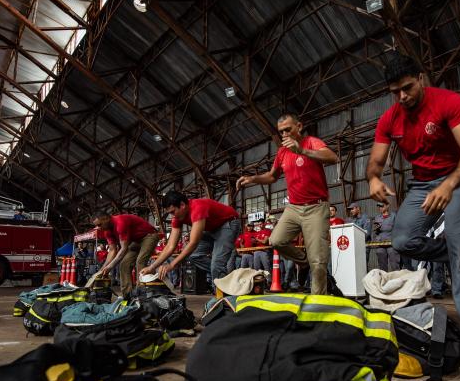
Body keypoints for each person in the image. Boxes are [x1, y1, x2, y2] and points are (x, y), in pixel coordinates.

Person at [366, 53, 460, 357]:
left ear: (421, 78)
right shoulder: (390, 118)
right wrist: (373, 180)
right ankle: (456, 255)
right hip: (422, 184)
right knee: (403, 240)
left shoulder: (449, 102)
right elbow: (375, 162)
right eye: (395, 92)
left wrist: (449, 185)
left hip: (458, 177)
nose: (403, 97)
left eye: (407, 88)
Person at [236, 113, 339, 295]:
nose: (284, 134)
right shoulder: (282, 152)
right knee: (276, 240)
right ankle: (303, 260)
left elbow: (332, 157)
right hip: (293, 207)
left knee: (318, 261)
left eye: (288, 130)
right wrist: (253, 178)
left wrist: (302, 151)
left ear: (299, 126)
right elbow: (272, 176)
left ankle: (318, 301)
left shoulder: (311, 142)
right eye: (281, 132)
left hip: (316, 207)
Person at [141, 191, 240, 288]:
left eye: (173, 211)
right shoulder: (177, 217)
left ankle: (222, 295)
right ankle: (223, 275)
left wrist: (172, 265)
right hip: (211, 229)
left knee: (216, 265)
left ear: (182, 205)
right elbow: (170, 246)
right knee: (193, 256)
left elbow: (193, 243)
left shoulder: (198, 207)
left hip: (228, 224)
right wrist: (152, 267)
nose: (173, 215)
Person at [92, 211, 159, 296]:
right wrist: (103, 268)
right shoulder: (107, 231)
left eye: (99, 224)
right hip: (136, 240)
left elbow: (124, 249)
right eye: (96, 226)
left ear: (106, 219)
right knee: (124, 264)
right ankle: (127, 296)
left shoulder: (120, 223)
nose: (98, 228)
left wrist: (110, 266)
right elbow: (112, 250)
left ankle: (142, 293)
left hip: (149, 236)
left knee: (140, 261)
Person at [372, 202, 400, 272]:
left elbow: (398, 229)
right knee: (382, 267)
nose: (380, 208)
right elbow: (375, 233)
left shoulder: (394, 216)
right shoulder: (377, 217)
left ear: (387, 206)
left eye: (382, 206)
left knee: (395, 265)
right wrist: (376, 230)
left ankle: (397, 281)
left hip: (391, 244)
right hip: (380, 245)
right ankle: (385, 282)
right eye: (379, 206)